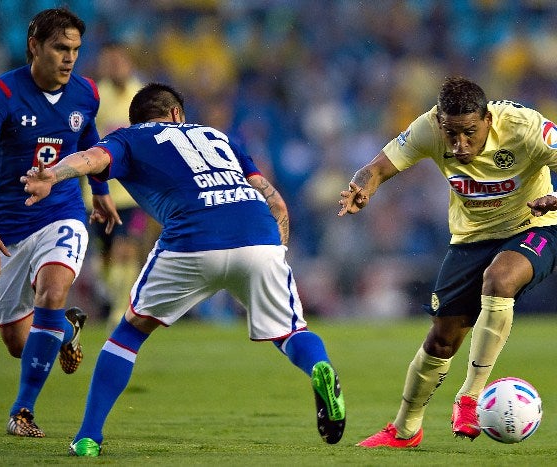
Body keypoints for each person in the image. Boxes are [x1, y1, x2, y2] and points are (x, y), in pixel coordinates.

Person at [20, 82, 347, 456]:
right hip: (258, 235)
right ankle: (320, 366)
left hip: (192, 238)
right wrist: (275, 254)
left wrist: (54, 173)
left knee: (129, 333)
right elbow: (277, 203)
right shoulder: (218, 137)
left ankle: (89, 437)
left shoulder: (129, 138)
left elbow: (92, 159)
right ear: (177, 114)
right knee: (291, 332)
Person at [338, 76, 557, 448]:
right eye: (451, 134)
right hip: (470, 240)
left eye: (468, 132)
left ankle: (469, 398)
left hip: (534, 225)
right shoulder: (428, 127)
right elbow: (377, 168)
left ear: (487, 120)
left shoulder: (527, 127)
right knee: (441, 341)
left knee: (500, 279)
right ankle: (404, 430)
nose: (459, 144)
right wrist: (362, 187)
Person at [0, 8, 119, 438]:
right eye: (60, 48)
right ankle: (67, 328)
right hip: (7, 227)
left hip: (61, 214)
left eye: (75, 50)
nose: (69, 58)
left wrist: (100, 193)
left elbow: (88, 141)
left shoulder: (86, 93)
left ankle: (22, 411)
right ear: (34, 46)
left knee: (51, 291)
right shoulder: (1, 93)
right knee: (17, 342)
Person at [85, 41, 149, 329]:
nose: (114, 67)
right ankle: (116, 298)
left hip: (134, 192)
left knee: (128, 249)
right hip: (100, 192)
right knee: (106, 257)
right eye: (108, 62)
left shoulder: (143, 97)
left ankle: (120, 311)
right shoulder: (96, 98)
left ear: (129, 63)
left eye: (119, 61)